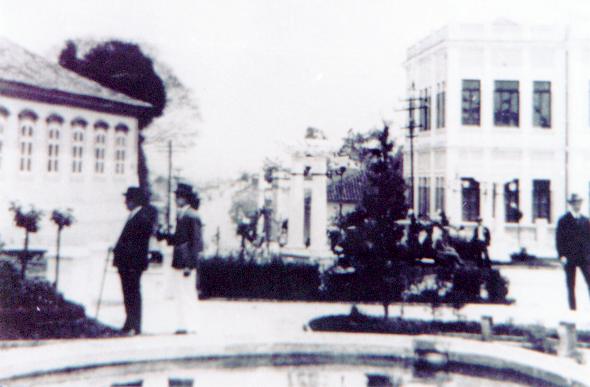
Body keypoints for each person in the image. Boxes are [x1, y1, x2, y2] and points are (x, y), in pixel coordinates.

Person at [158, 182, 203, 333]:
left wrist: (190, 265)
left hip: (185, 262)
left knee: (187, 293)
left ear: (185, 198)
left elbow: (196, 242)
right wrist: (165, 236)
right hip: (179, 259)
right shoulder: (182, 215)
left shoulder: (191, 215)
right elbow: (179, 238)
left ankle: (191, 325)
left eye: (178, 196)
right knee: (181, 293)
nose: (176, 199)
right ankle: (183, 324)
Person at [113, 187, 157, 335]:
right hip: (126, 262)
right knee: (128, 292)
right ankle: (129, 322)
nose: (125, 202)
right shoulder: (134, 215)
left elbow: (138, 242)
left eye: (128, 199)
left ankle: (135, 325)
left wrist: (124, 251)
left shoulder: (142, 217)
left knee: (133, 293)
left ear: (134, 201)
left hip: (133, 262)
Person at [556, 193, 590, 311]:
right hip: (570, 257)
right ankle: (573, 310)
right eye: (575, 203)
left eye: (579, 202)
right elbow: (559, 239)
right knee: (571, 285)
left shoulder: (586, 220)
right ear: (570, 204)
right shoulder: (564, 220)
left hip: (584, 258)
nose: (577, 205)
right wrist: (562, 256)